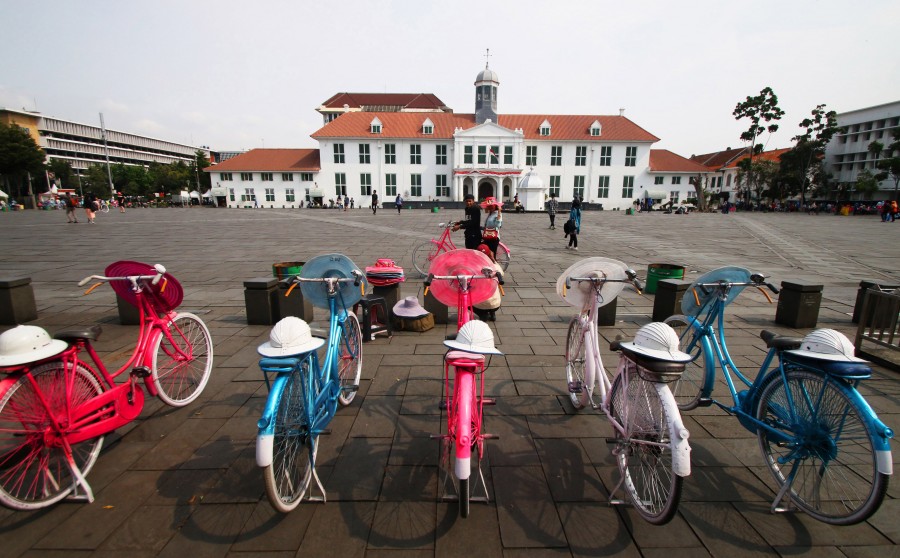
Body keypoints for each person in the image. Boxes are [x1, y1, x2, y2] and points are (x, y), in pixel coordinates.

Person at [473, 244, 503, 321]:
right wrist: (493, 259)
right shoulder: (494, 267)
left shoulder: (473, 266)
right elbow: (501, 273)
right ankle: (492, 313)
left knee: (467, 297)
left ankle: (482, 314)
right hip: (495, 304)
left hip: (480, 305)